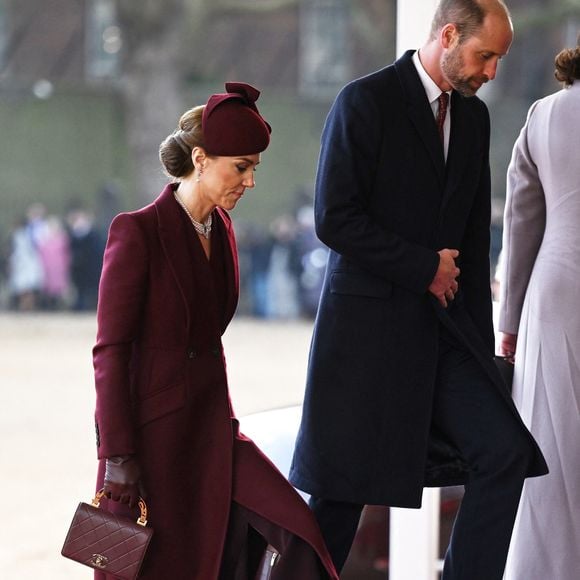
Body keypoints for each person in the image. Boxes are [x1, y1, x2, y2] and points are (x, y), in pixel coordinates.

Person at [288, 2, 548, 579]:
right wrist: (422, 266)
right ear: (449, 36)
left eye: (500, 59)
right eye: (486, 56)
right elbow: (334, 218)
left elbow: (474, 243)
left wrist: (485, 350)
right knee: (337, 500)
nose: (492, 72)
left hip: (445, 338)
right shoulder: (364, 101)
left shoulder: (474, 120)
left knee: (504, 453)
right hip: (366, 340)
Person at [93, 82, 338, 580]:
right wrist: (117, 456)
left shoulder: (222, 229)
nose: (249, 182)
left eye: (254, 169)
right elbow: (110, 352)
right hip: (149, 443)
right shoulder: (135, 231)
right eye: (241, 167)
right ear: (201, 159)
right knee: (156, 568)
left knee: (298, 534)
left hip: (215, 433)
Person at [499, 39, 580, 580]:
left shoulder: (544, 113)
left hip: (556, 289)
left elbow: (521, 219)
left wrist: (507, 320)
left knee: (550, 445)